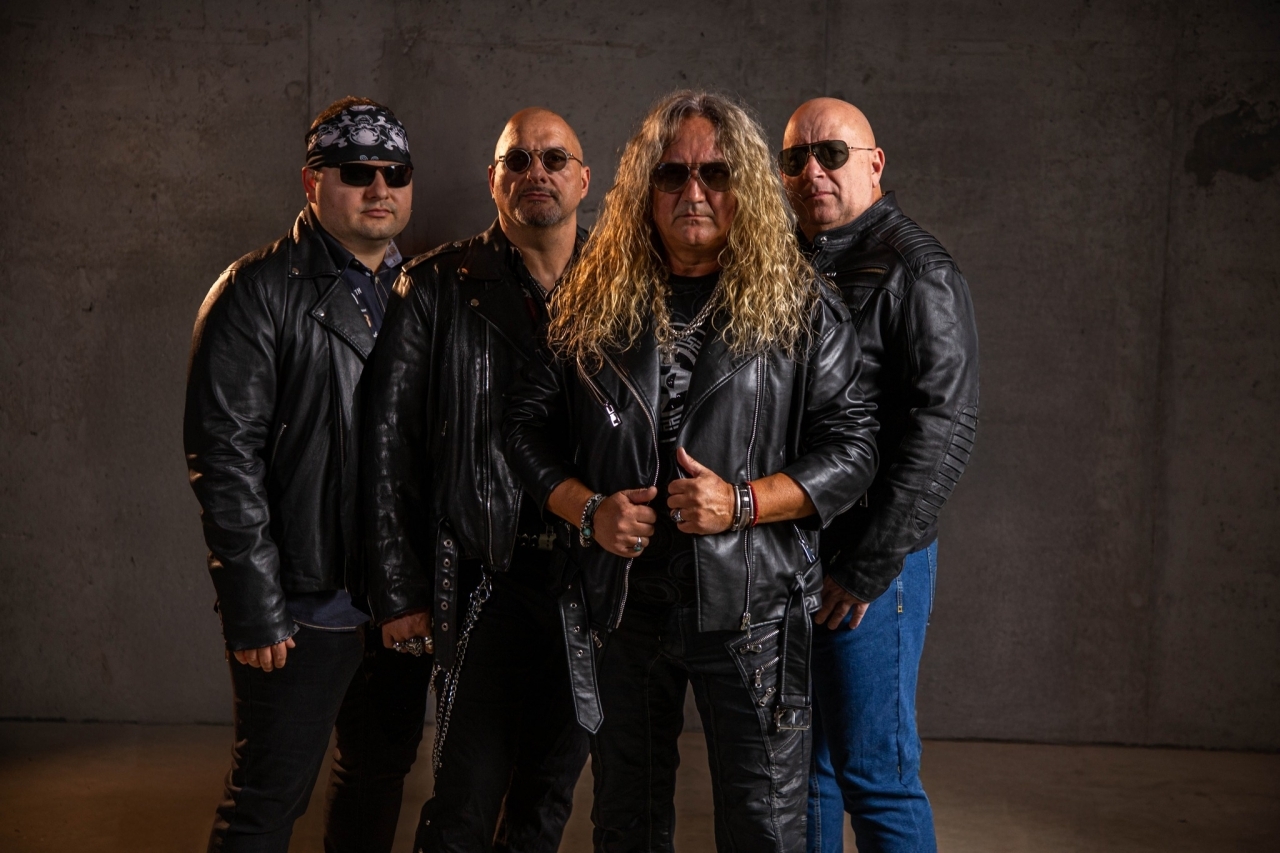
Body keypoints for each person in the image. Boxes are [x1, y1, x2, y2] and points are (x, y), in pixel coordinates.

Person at [503, 90, 879, 853]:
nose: (694, 192)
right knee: (626, 823)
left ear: (746, 187)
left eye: (716, 173)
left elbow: (854, 449)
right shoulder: (593, 294)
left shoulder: (802, 302)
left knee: (765, 828)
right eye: (672, 174)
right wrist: (587, 509)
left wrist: (742, 503)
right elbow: (523, 427)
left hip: (753, 609)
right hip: (624, 602)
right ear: (645, 189)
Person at [184, 97, 433, 852]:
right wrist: (255, 604)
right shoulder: (255, 291)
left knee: (376, 777)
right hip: (303, 603)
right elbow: (225, 460)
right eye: (356, 171)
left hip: (398, 602)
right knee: (266, 798)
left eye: (395, 172)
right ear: (311, 180)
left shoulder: (424, 291)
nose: (379, 188)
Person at [361, 107, 593, 853]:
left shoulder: (623, 285)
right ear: (493, 180)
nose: (536, 173)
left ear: (584, 179)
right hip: (484, 578)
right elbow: (387, 448)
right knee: (463, 803)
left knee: (545, 803)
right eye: (517, 160)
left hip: (588, 582)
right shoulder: (434, 286)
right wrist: (400, 591)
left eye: (553, 159)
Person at [779, 97, 980, 853]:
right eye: (795, 158)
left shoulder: (917, 268)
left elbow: (945, 426)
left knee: (875, 773)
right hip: (795, 547)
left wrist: (869, 564)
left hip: (871, 560)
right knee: (806, 772)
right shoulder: (791, 259)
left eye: (832, 153)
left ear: (875, 164)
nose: (813, 171)